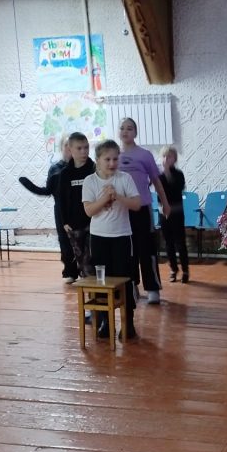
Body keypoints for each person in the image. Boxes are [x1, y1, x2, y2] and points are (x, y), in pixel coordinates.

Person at [82, 140, 141, 340]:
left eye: (116, 159)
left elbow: (136, 204)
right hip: (99, 238)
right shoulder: (90, 181)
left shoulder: (125, 178)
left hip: (122, 237)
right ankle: (105, 322)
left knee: (125, 279)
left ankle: (128, 322)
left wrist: (118, 197)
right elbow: (89, 210)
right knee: (102, 281)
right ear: (98, 160)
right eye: (107, 159)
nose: (112, 163)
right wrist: (104, 199)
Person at [117, 118, 171, 305]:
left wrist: (164, 203)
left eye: (129, 128)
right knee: (127, 250)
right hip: (122, 211)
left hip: (142, 208)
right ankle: (131, 286)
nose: (125, 131)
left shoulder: (144, 155)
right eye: (122, 128)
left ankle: (153, 288)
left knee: (147, 248)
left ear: (135, 132)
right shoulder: (114, 155)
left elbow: (156, 181)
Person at [19, 135, 78, 282]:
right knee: (64, 241)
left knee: (81, 240)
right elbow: (47, 191)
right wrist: (29, 185)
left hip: (79, 210)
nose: (69, 149)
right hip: (61, 212)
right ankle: (70, 272)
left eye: (72, 145)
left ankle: (84, 270)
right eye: (66, 145)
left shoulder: (80, 167)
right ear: (61, 148)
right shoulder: (55, 169)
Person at [58, 132, 95, 279]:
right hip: (74, 224)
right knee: (82, 260)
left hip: (93, 221)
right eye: (79, 148)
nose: (84, 151)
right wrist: (64, 221)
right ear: (70, 149)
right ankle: (89, 288)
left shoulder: (94, 169)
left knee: (94, 257)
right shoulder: (65, 174)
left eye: (86, 147)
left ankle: (99, 288)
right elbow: (61, 200)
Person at [158, 145, 190, 283]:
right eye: (164, 156)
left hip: (176, 212)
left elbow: (175, 190)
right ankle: (173, 269)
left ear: (174, 159)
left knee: (180, 242)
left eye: (169, 156)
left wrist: (167, 173)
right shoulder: (159, 176)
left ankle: (185, 270)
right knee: (168, 243)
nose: (166, 159)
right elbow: (159, 194)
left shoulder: (179, 174)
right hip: (164, 213)